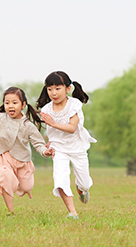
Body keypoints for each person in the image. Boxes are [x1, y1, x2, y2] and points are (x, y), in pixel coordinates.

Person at [0, 87, 53, 216]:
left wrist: (45, 151)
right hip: (4, 156)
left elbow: (38, 143)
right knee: (5, 177)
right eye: (7, 102)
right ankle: (11, 211)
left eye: (15, 103)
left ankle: (24, 183)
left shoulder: (28, 125)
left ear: (23, 105)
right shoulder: (1, 118)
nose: (10, 106)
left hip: (22, 159)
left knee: (26, 187)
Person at [37, 71, 97, 220]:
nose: (53, 93)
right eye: (49, 89)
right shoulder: (46, 110)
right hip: (59, 149)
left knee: (84, 183)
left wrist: (53, 123)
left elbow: (72, 128)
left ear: (67, 89)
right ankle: (72, 213)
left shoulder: (74, 104)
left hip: (77, 148)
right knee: (60, 179)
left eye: (58, 88)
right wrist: (48, 142)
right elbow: (50, 131)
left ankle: (82, 190)